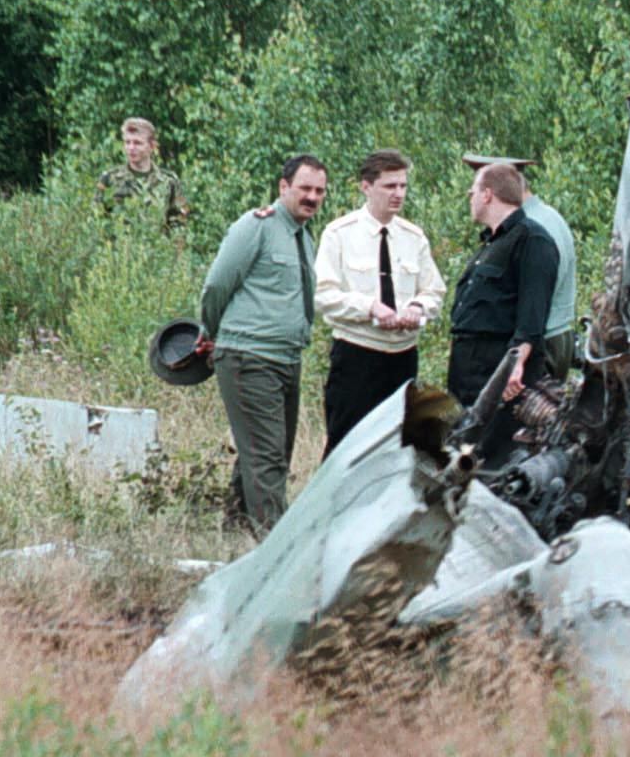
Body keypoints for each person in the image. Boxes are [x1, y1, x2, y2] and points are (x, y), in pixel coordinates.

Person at [198, 154, 327, 533]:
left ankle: (236, 531)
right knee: (267, 457)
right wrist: (212, 333)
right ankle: (277, 547)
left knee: (268, 452)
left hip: (286, 358)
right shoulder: (255, 227)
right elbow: (217, 285)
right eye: (305, 188)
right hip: (249, 356)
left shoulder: (303, 235)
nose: (312, 197)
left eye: (320, 191)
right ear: (284, 187)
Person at [312, 149, 447, 453]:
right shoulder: (339, 234)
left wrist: (417, 307)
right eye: (389, 186)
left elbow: (434, 290)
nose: (398, 194)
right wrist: (369, 307)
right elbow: (323, 295)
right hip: (357, 356)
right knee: (346, 447)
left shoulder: (414, 237)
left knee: (397, 448)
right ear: (366, 187)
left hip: (403, 359)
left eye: (403, 186)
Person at [448, 162, 558, 412]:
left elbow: (533, 317)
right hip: (468, 372)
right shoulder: (491, 243)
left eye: (472, 193)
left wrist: (515, 365)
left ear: (487, 194)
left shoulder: (532, 239)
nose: (470, 199)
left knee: (498, 436)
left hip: (499, 373)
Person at [463, 152, 576, 381]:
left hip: (539, 344)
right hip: (547, 337)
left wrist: (516, 356)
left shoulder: (534, 230)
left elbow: (535, 300)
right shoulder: (543, 217)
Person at [97, 116, 191, 240]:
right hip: (120, 249)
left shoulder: (169, 181)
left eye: (138, 143)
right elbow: (98, 220)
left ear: (152, 146)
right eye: (127, 142)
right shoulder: (110, 178)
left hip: (156, 248)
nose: (131, 148)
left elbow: (179, 224)